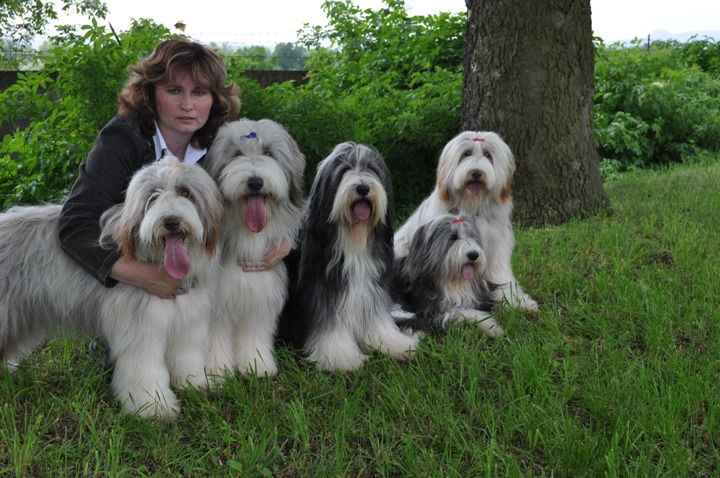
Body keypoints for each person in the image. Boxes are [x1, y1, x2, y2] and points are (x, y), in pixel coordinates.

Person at [59, 38, 289, 299]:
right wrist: (140, 275)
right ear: (151, 93)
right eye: (175, 90)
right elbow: (74, 224)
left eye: (199, 92)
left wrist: (286, 243)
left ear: (214, 98)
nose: (187, 105)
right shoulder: (122, 139)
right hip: (128, 292)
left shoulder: (221, 146)